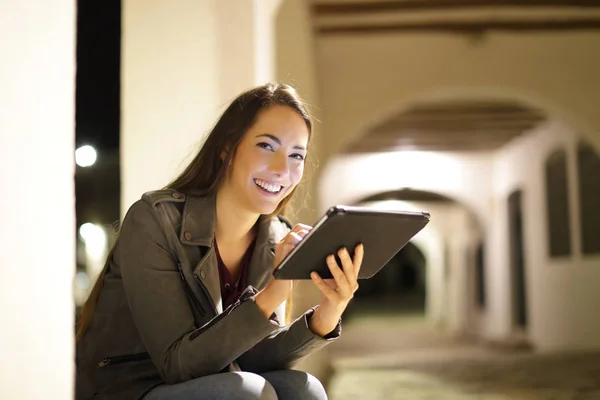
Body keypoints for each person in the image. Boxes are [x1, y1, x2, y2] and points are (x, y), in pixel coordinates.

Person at [75, 83, 365, 400]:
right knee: (248, 393)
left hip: (212, 384)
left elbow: (252, 358)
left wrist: (328, 313)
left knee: (303, 389)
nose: (283, 169)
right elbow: (176, 365)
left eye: (297, 155)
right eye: (267, 146)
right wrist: (274, 292)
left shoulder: (276, 235)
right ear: (227, 148)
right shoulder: (154, 221)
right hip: (126, 388)